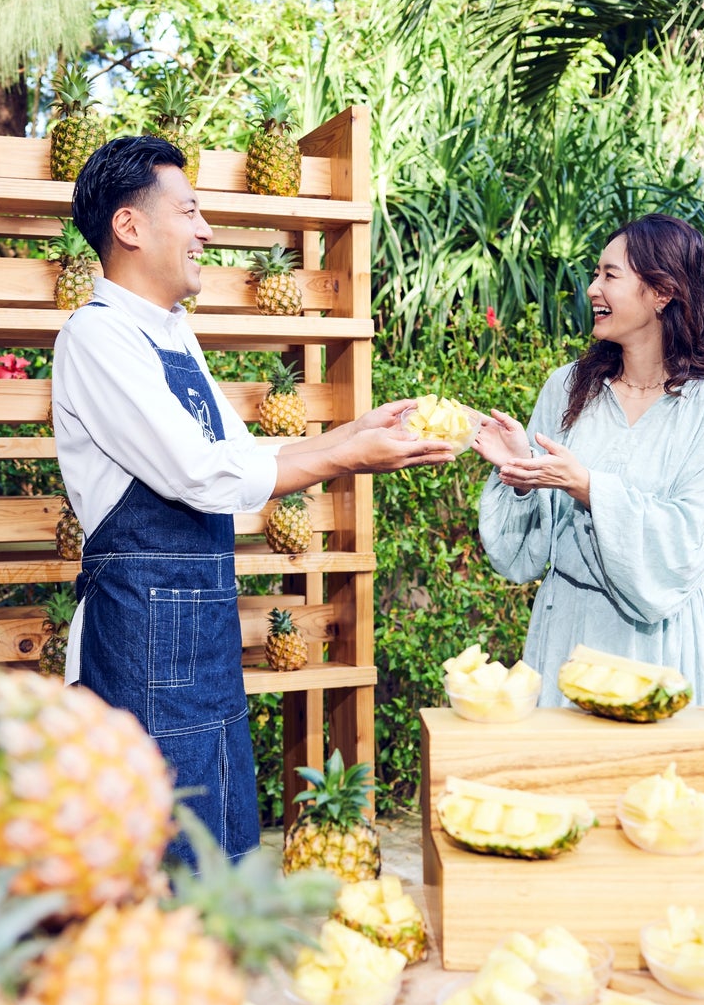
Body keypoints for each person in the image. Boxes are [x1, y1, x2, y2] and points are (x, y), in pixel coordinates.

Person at [52, 135, 456, 858]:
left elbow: (239, 457)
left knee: (221, 847)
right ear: (130, 226)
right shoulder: (97, 337)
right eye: (191, 210)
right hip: (141, 640)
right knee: (161, 859)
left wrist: (355, 434)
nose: (206, 230)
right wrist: (345, 454)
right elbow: (198, 476)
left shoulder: (173, 335)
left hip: (200, 640)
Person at [475, 213, 704, 707]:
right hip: (567, 632)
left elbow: (692, 540)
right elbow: (524, 553)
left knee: (654, 785)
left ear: (662, 291)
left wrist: (588, 487)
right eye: (595, 273)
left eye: (609, 274)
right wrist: (522, 475)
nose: (591, 288)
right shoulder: (566, 387)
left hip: (658, 647)